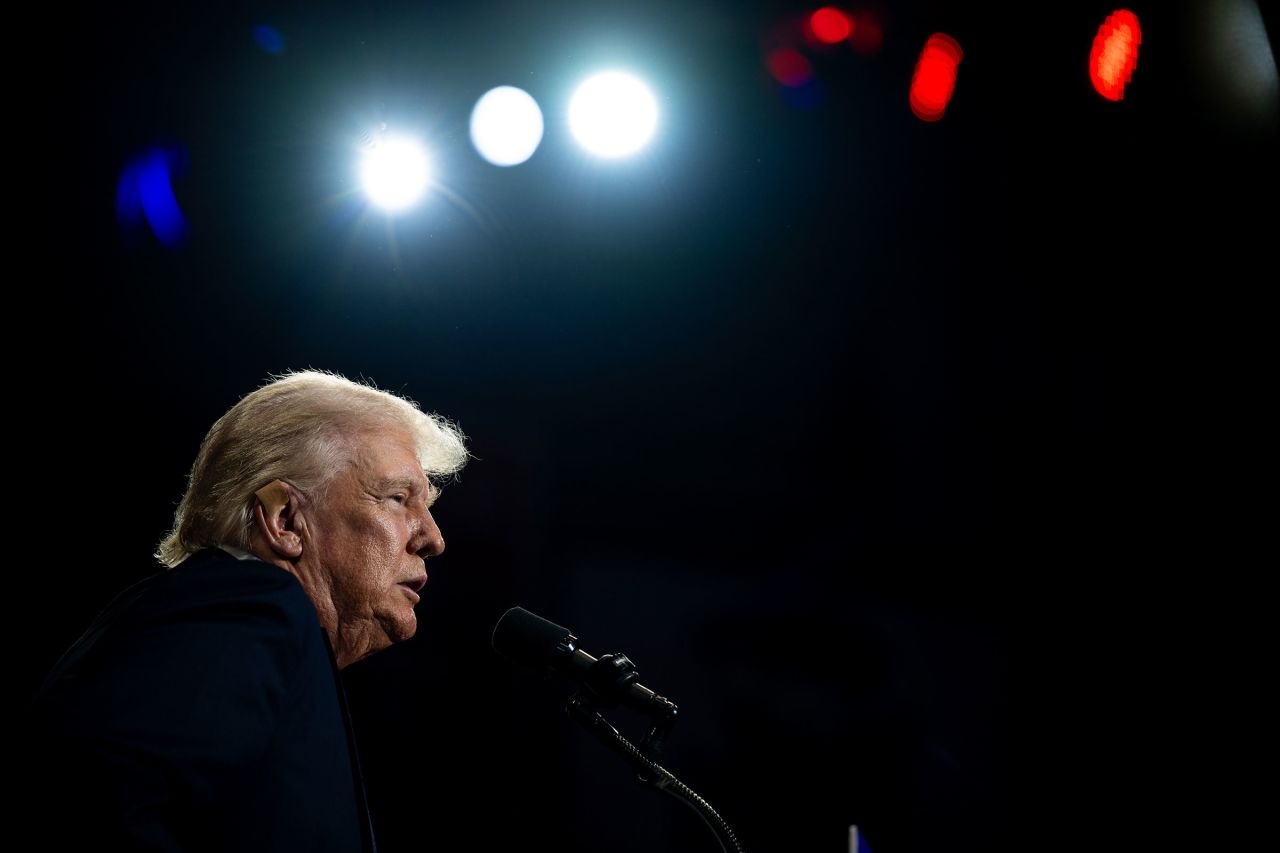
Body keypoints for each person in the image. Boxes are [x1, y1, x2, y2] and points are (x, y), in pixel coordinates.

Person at [27, 370, 469, 851]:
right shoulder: (252, 603)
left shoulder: (250, 622)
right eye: (398, 499)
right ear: (284, 520)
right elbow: (94, 802)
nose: (433, 538)